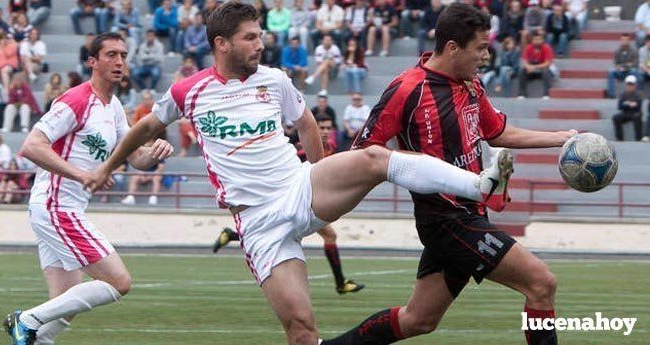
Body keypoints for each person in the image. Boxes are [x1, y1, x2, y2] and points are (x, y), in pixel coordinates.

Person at [85, 4, 515, 344]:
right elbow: (145, 127)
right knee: (302, 330)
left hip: (298, 187)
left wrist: (320, 169)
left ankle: (478, 183)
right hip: (257, 223)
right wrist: (108, 166)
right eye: (250, 38)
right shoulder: (188, 90)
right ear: (221, 43)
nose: (260, 45)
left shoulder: (274, 80)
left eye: (261, 36)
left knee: (372, 160)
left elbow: (307, 123)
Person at [321, 4, 576, 345]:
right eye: (481, 47)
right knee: (541, 283)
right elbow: (364, 155)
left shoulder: (470, 82)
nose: (486, 55)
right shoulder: (406, 90)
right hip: (446, 219)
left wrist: (561, 140)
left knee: (419, 320)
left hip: (469, 215)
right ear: (454, 48)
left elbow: (496, 131)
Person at [2, 32, 175, 345]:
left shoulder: (114, 107)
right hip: (56, 206)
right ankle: (25, 320)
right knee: (118, 281)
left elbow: (135, 158)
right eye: (111, 55)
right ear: (92, 61)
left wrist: (154, 152)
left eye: (123, 55)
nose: (119, 61)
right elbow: (31, 146)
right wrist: (81, 174)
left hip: (60, 208)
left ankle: (36, 338)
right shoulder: (76, 100)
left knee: (65, 302)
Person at [212, 114, 367, 295]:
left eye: (328, 128)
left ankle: (233, 235)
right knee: (326, 236)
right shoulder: (301, 149)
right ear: (314, 127)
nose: (325, 132)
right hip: (293, 199)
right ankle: (340, 283)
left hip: (307, 200)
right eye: (321, 127)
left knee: (286, 231)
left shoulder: (331, 147)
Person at [518, 31, 554, 99]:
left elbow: (547, 63)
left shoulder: (546, 48)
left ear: (542, 40)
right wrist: (528, 66)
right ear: (532, 40)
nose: (537, 41)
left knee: (546, 71)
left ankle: (546, 94)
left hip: (542, 69)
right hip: (531, 70)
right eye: (535, 39)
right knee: (521, 71)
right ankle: (522, 94)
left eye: (539, 39)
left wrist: (534, 67)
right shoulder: (529, 48)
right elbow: (525, 61)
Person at [607, 33, 640, 99]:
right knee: (611, 72)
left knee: (635, 71)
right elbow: (615, 63)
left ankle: (636, 94)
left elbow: (635, 63)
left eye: (626, 40)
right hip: (620, 72)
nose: (624, 41)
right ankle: (611, 94)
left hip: (630, 72)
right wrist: (620, 66)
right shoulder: (617, 51)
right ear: (620, 40)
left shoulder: (634, 50)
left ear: (629, 41)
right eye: (622, 40)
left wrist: (625, 66)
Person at [612, 75, 643, 141]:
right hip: (626, 113)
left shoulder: (638, 94)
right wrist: (630, 104)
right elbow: (619, 106)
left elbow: (638, 106)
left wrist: (626, 104)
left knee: (637, 117)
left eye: (631, 84)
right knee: (616, 117)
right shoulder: (623, 94)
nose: (630, 86)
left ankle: (638, 138)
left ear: (635, 85)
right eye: (628, 84)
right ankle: (619, 138)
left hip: (635, 113)